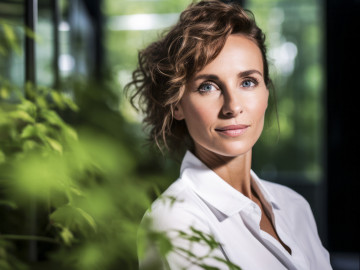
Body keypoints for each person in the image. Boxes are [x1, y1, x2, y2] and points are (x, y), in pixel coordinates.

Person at [126, 0, 332, 269]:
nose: (233, 106)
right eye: (208, 86)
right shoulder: (173, 221)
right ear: (177, 104)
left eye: (248, 82)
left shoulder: (294, 206)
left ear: (266, 93)